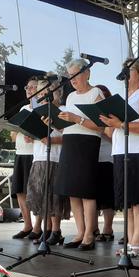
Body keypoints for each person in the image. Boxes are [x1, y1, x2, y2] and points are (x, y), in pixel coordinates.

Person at [101, 59, 139, 257]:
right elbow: (113, 131)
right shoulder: (123, 98)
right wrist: (108, 124)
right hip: (120, 151)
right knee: (127, 201)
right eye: (123, 69)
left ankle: (138, 243)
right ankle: (130, 241)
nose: (125, 72)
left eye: (130, 69)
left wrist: (119, 124)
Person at [52, 59, 104, 250]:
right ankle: (80, 232)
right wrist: (56, 123)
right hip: (70, 142)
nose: (73, 79)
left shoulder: (96, 93)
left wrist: (77, 119)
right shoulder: (71, 96)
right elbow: (68, 123)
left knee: (86, 191)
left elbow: (101, 126)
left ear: (87, 74)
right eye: (70, 76)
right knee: (73, 191)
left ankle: (90, 234)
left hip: (87, 143)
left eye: (76, 74)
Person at [26, 76, 70, 246]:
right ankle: (47, 230)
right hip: (39, 156)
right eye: (41, 93)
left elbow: (69, 136)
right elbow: (36, 134)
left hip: (56, 157)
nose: (43, 96)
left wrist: (52, 140)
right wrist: (32, 135)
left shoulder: (63, 109)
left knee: (53, 197)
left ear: (57, 93)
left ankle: (56, 230)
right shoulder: (38, 111)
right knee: (40, 196)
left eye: (47, 93)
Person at [10, 76, 37, 239]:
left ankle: (39, 227)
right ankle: (27, 225)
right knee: (20, 191)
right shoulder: (23, 109)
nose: (29, 90)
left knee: (35, 192)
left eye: (33, 87)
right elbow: (13, 136)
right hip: (20, 153)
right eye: (27, 88)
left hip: (34, 154)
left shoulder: (42, 108)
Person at [94, 85, 116, 243]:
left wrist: (102, 129)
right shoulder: (92, 113)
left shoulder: (111, 112)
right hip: (91, 156)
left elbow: (113, 136)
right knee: (92, 195)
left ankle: (108, 228)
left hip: (107, 156)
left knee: (107, 196)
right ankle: (93, 227)